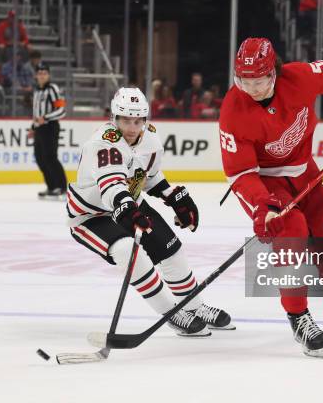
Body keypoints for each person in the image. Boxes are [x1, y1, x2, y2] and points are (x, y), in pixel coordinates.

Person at [219, 37, 323, 358]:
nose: (251, 88)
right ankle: (299, 317)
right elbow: (240, 173)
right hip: (264, 183)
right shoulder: (232, 110)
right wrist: (262, 204)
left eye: (259, 80)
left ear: (275, 72)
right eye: (244, 80)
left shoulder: (298, 77)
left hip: (304, 172)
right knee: (291, 232)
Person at [67, 87, 234, 336]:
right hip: (91, 215)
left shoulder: (150, 140)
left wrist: (173, 198)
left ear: (145, 120)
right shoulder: (103, 143)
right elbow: (111, 186)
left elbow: (149, 177)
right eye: (125, 120)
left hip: (128, 204)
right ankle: (171, 312)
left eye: (138, 120)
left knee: (171, 249)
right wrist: (129, 210)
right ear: (115, 118)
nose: (132, 127)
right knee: (128, 250)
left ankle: (193, 306)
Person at [30, 63, 67, 199]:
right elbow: (35, 112)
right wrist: (33, 127)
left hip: (50, 127)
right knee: (40, 158)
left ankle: (62, 188)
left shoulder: (53, 89)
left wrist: (45, 118)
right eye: (39, 73)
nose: (42, 75)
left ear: (48, 75)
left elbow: (61, 110)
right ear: (36, 76)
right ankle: (52, 187)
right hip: (39, 129)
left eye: (44, 73)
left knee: (51, 157)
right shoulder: (36, 90)